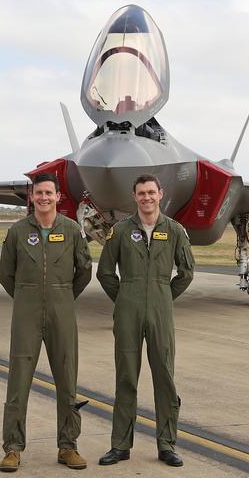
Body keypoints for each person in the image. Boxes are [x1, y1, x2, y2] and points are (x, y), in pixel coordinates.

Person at [96, 174, 194, 467]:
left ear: (160, 194)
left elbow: (186, 272)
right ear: (134, 196)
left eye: (151, 192)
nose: (147, 198)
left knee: (164, 376)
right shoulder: (121, 231)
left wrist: (163, 295)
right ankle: (120, 445)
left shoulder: (174, 230)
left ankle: (167, 445)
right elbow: (105, 272)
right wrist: (126, 296)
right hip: (128, 309)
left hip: (161, 309)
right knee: (126, 376)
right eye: (141, 193)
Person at [0, 172, 93, 472]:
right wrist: (28, 296)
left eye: (49, 193)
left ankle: (68, 446)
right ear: (32, 197)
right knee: (18, 381)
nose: (43, 198)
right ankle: (12, 448)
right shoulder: (16, 231)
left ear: (57, 197)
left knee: (67, 380)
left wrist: (61, 296)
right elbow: (6, 275)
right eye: (38, 193)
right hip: (25, 313)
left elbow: (84, 271)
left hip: (61, 311)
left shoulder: (72, 230)